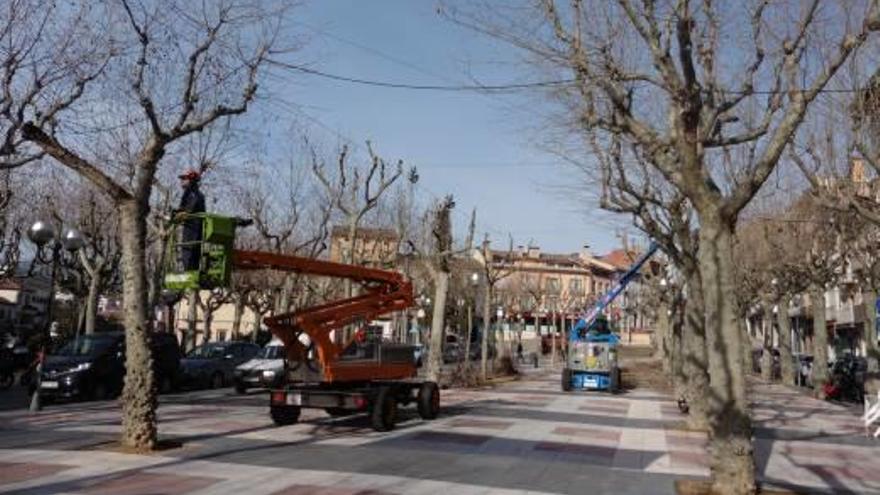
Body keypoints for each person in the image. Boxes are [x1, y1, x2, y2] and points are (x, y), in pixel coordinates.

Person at [174, 169, 206, 271]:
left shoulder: (195, 194)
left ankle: (190, 276)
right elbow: (183, 209)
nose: (182, 181)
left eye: (184, 178)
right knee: (187, 253)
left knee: (189, 253)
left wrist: (179, 215)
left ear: (192, 180)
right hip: (190, 227)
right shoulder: (188, 193)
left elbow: (189, 210)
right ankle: (189, 273)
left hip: (193, 229)